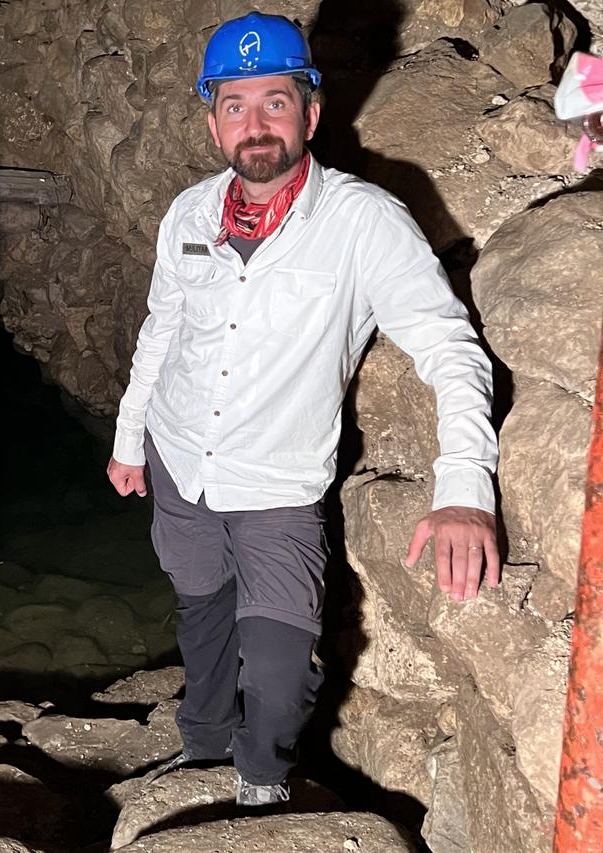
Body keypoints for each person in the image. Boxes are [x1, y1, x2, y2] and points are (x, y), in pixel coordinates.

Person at [106, 12, 499, 807]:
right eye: (236, 105)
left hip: (280, 485)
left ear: (310, 114)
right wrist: (127, 440)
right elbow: (162, 331)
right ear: (213, 122)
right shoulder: (187, 215)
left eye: (275, 102)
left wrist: (466, 490)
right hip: (178, 459)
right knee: (200, 608)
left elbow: (451, 347)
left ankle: (260, 782)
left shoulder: (364, 223)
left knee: (283, 666)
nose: (256, 125)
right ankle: (203, 741)